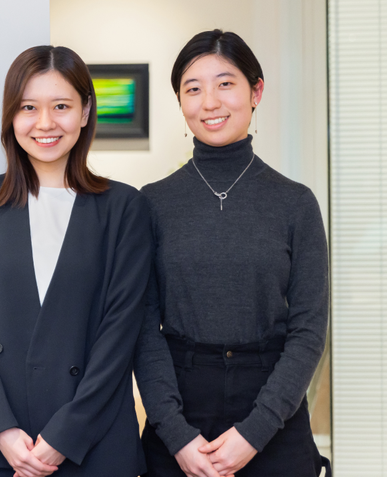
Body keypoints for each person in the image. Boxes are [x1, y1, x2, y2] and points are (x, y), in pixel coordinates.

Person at [0, 45, 153, 477]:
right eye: (28, 107)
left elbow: (120, 331)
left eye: (61, 106)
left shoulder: (124, 207)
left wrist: (63, 438)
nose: (45, 123)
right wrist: (1, 430)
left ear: (86, 111)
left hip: (92, 444)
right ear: (11, 117)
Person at [135, 30, 328, 477]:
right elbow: (143, 329)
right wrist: (176, 435)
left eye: (225, 83)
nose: (210, 102)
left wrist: (254, 433)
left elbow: (308, 331)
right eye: (193, 88)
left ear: (255, 91)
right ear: (180, 103)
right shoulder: (152, 203)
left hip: (273, 416)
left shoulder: (295, 203)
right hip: (178, 420)